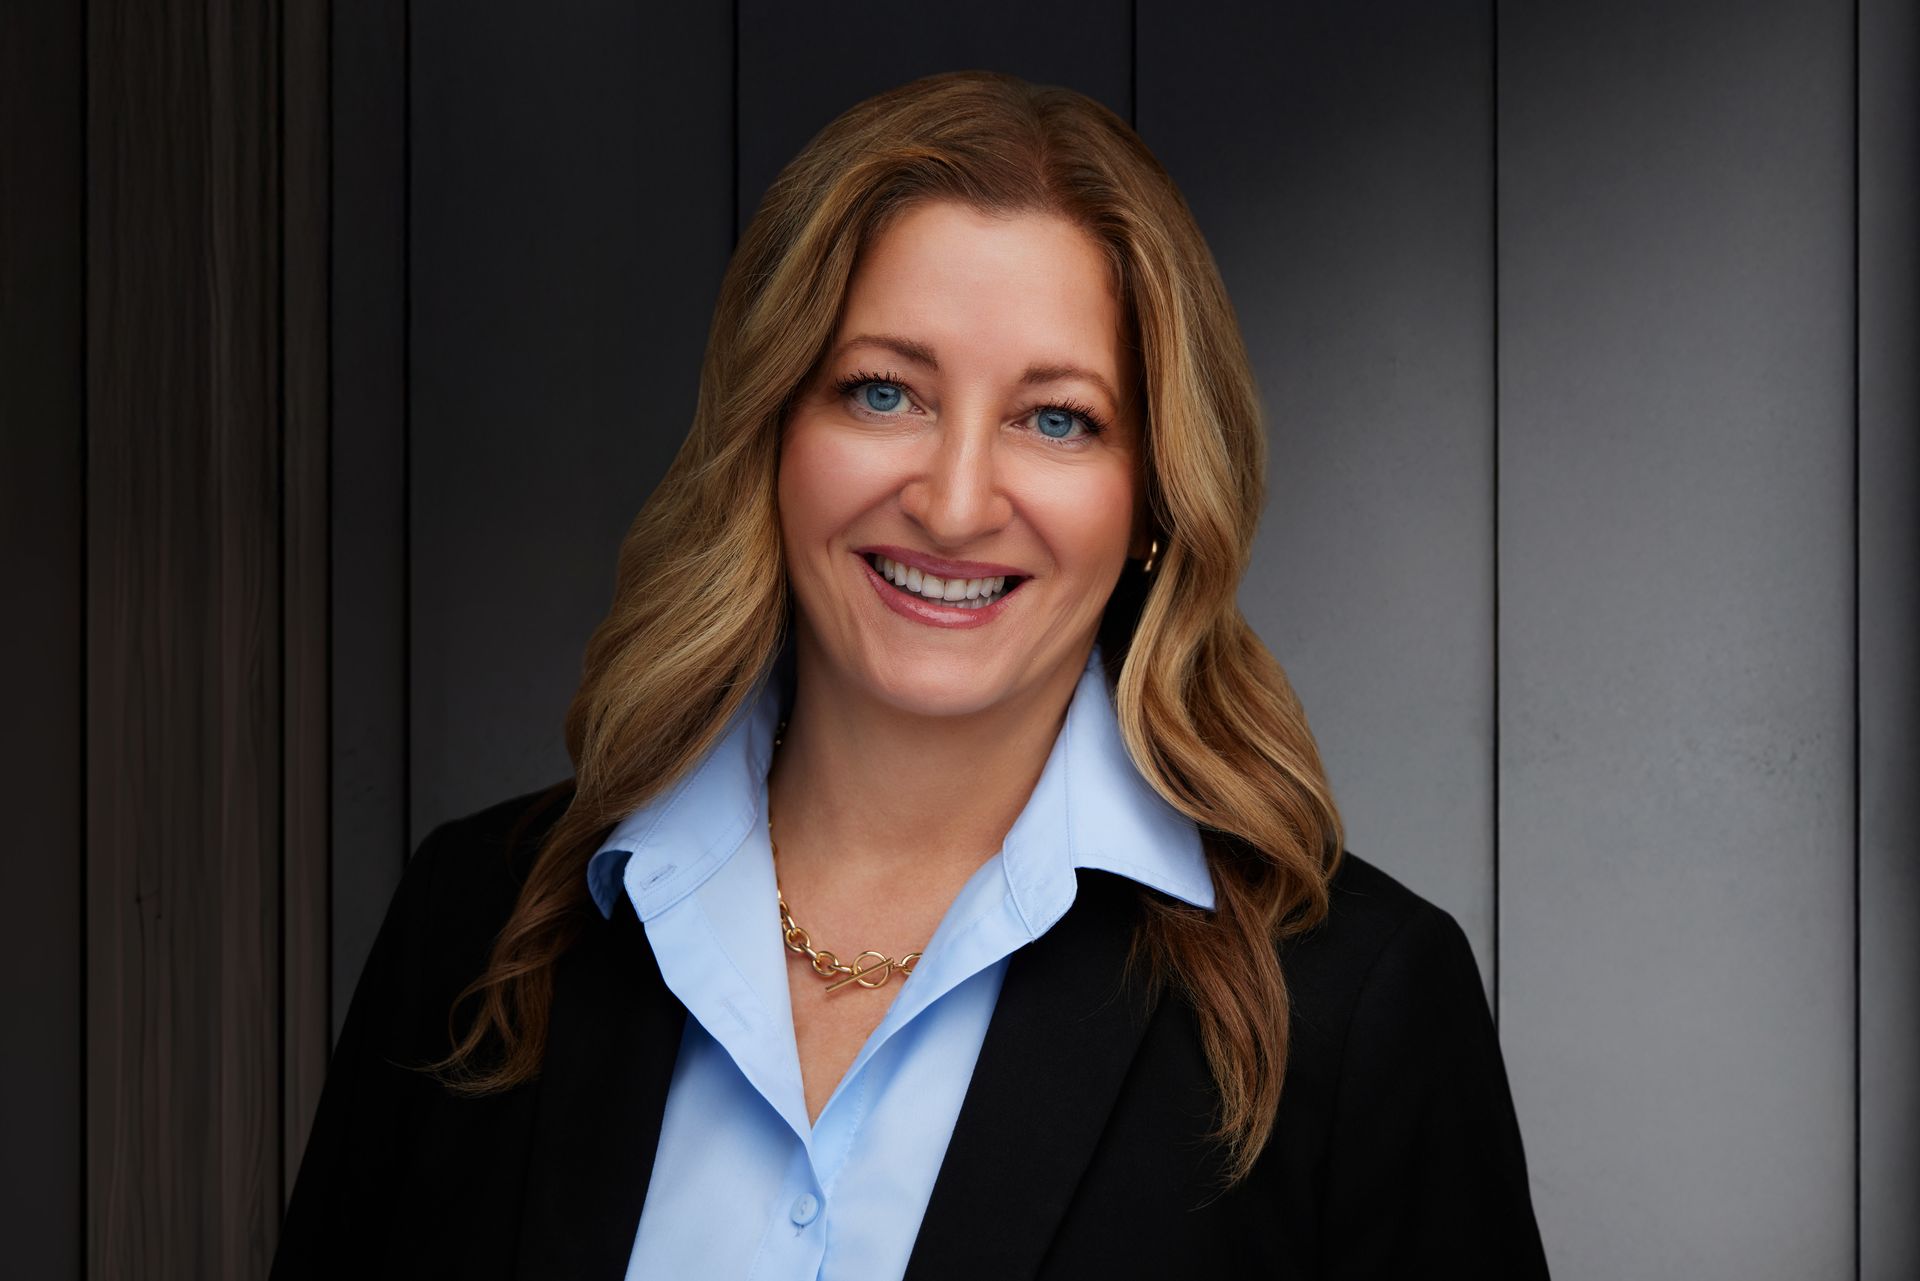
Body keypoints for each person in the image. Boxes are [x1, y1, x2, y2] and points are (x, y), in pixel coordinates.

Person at [272, 70, 1549, 1279]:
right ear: (771, 433)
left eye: (1058, 418)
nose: (951, 501)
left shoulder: (1357, 1008)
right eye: (883, 393)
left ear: (1153, 496)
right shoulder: (478, 928)